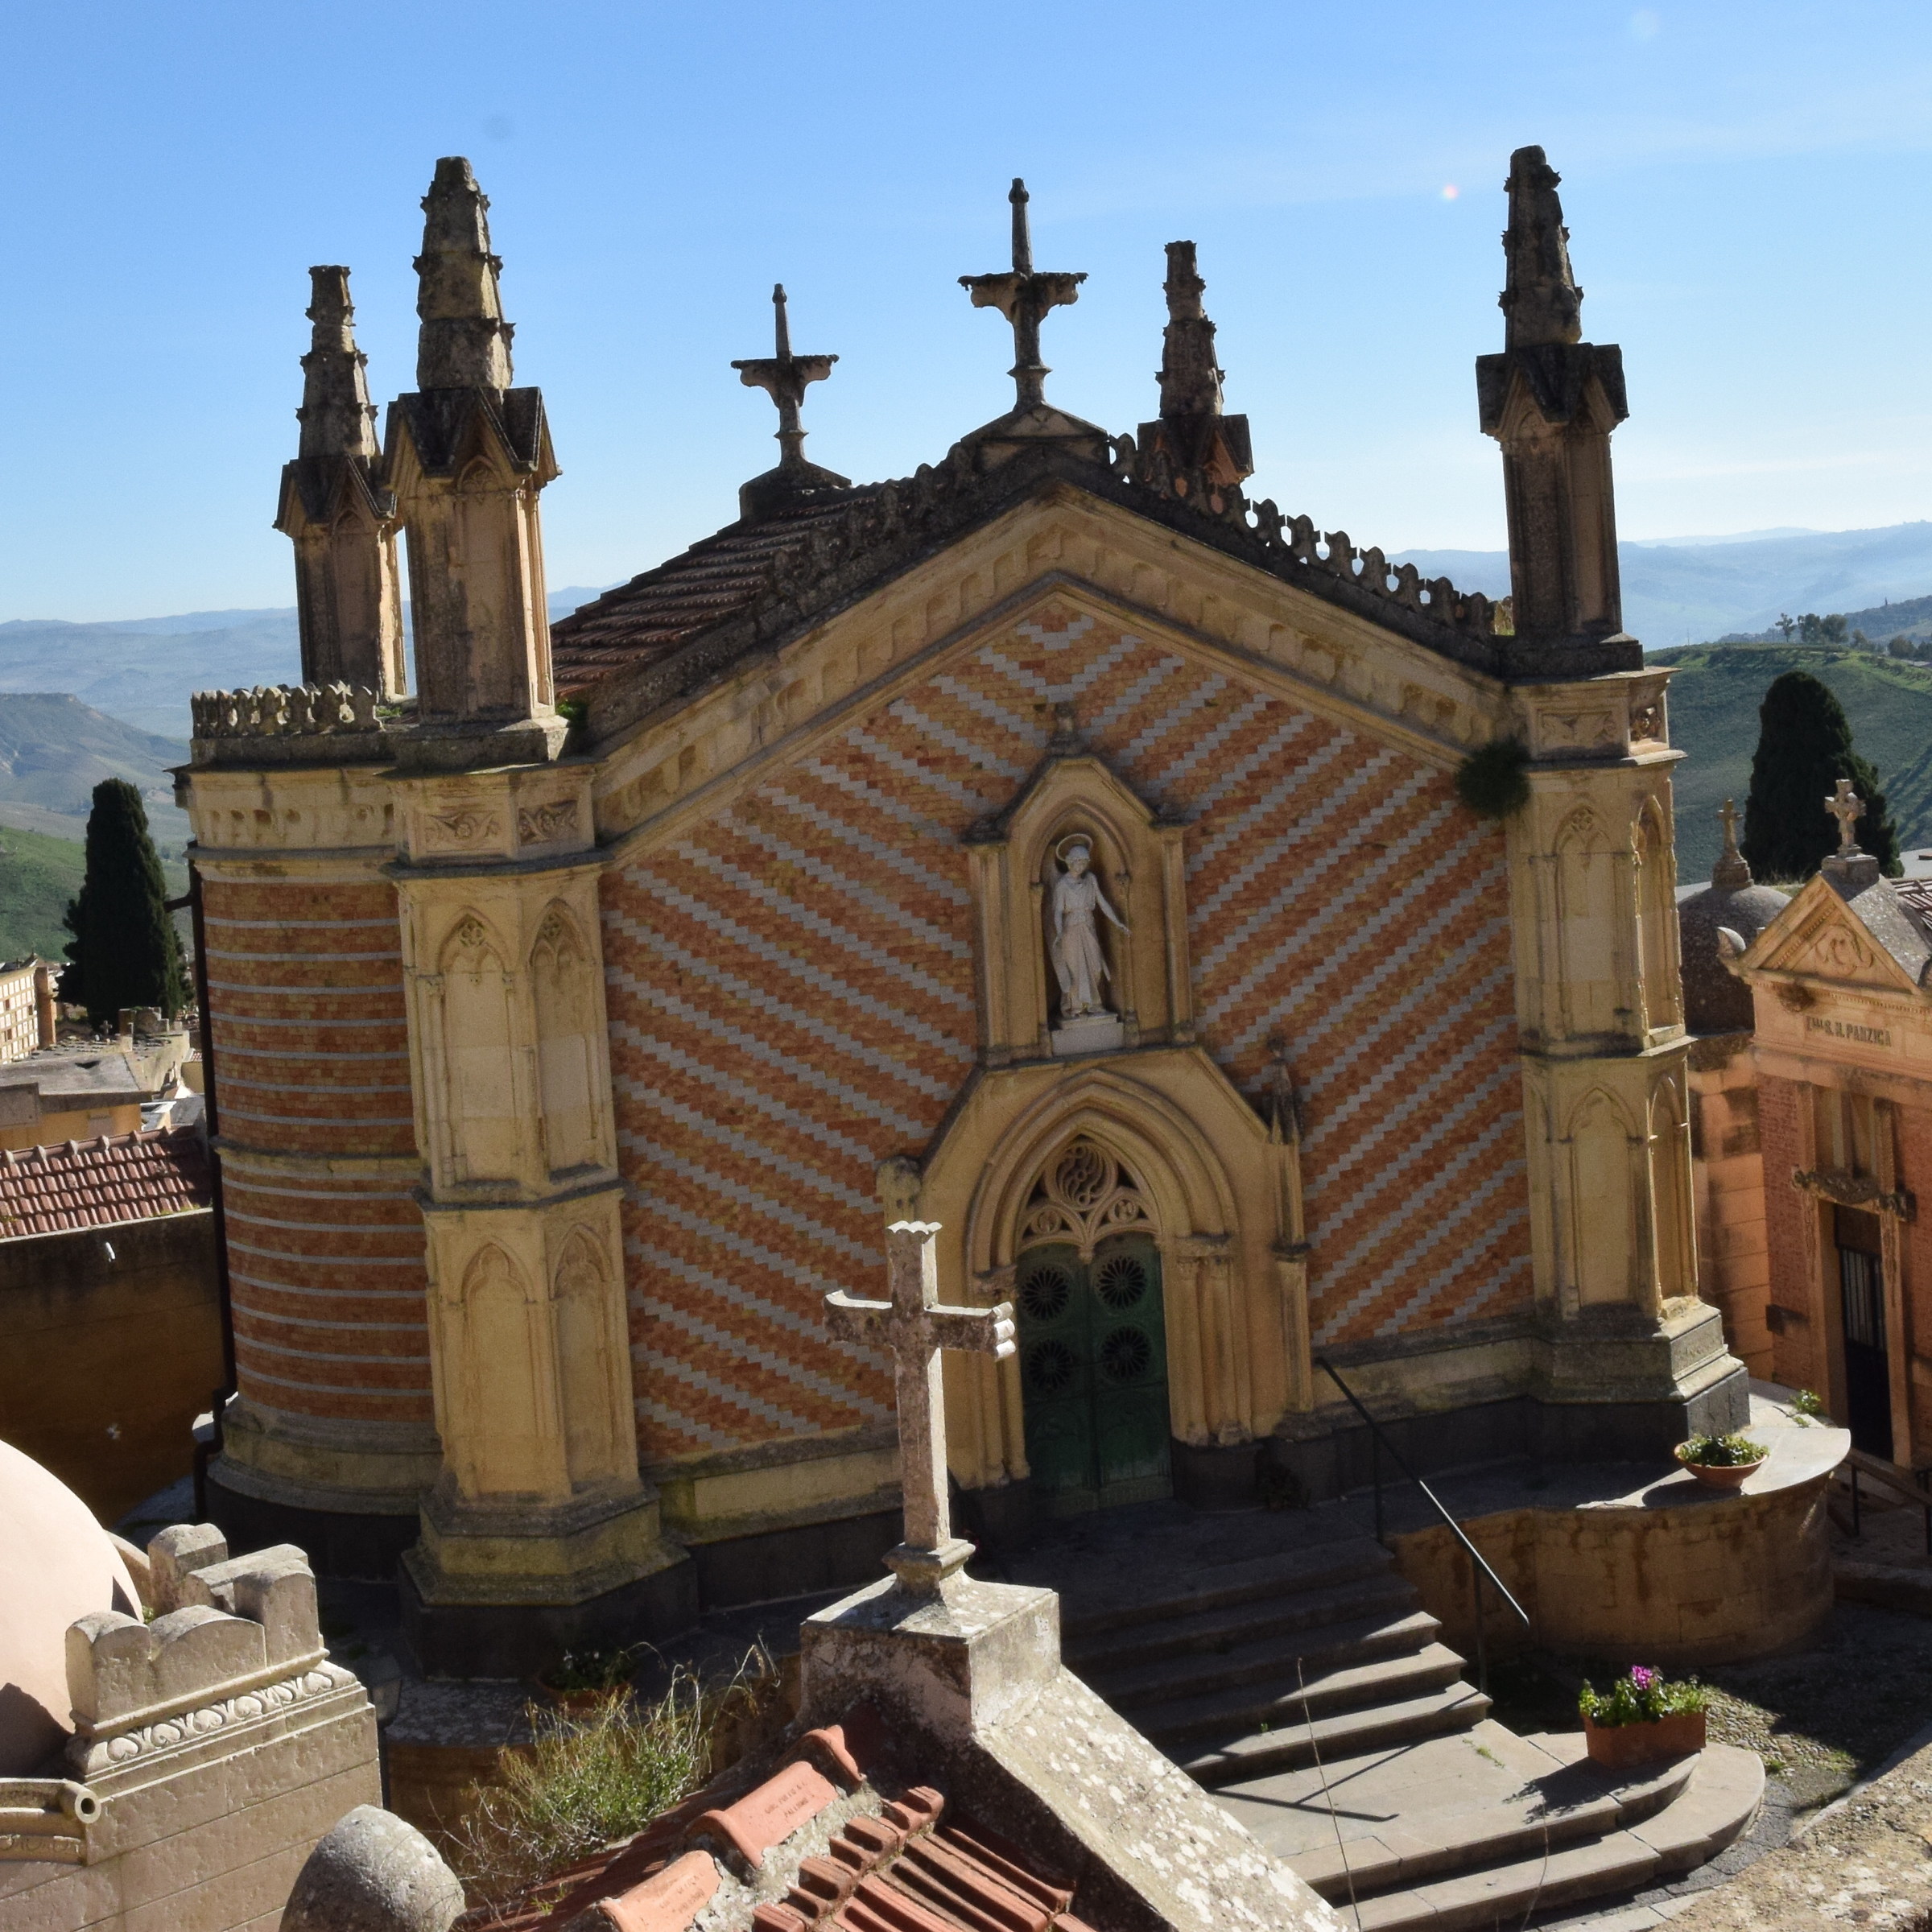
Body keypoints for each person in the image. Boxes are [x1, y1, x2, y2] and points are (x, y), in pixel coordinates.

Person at [1050, 838, 1129, 1019]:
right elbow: (1058, 911)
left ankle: (1095, 1004)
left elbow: (1102, 902)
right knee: (1075, 969)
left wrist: (1117, 922)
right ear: (1070, 861)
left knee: (1095, 966)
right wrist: (1059, 931)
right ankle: (1077, 1007)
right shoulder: (1062, 885)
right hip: (1071, 929)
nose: (1081, 866)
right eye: (1078, 862)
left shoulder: (1091, 879)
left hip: (1088, 925)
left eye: (1084, 862)